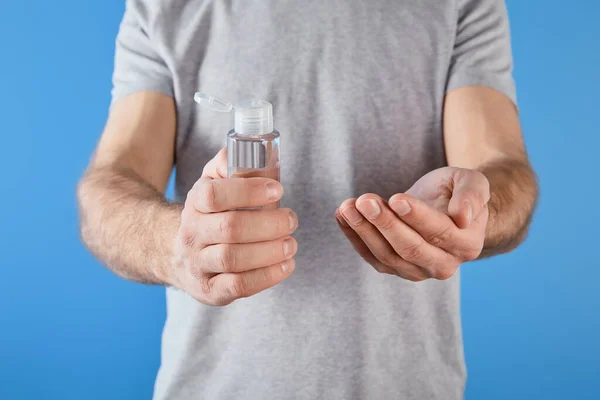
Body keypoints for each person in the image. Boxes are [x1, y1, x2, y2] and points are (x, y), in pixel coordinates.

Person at [77, 0, 538, 399]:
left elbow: (501, 165)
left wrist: (471, 211)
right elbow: (112, 183)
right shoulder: (164, 7)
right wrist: (176, 245)